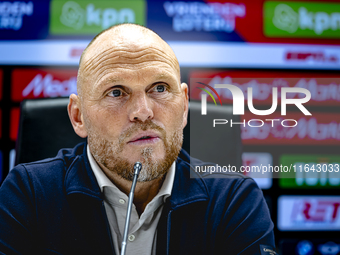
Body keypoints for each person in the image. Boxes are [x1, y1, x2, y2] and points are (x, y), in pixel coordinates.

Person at [0, 24, 276, 255]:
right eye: (117, 92)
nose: (143, 112)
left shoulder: (234, 199)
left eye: (160, 88)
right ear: (78, 116)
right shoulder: (27, 194)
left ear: (183, 107)